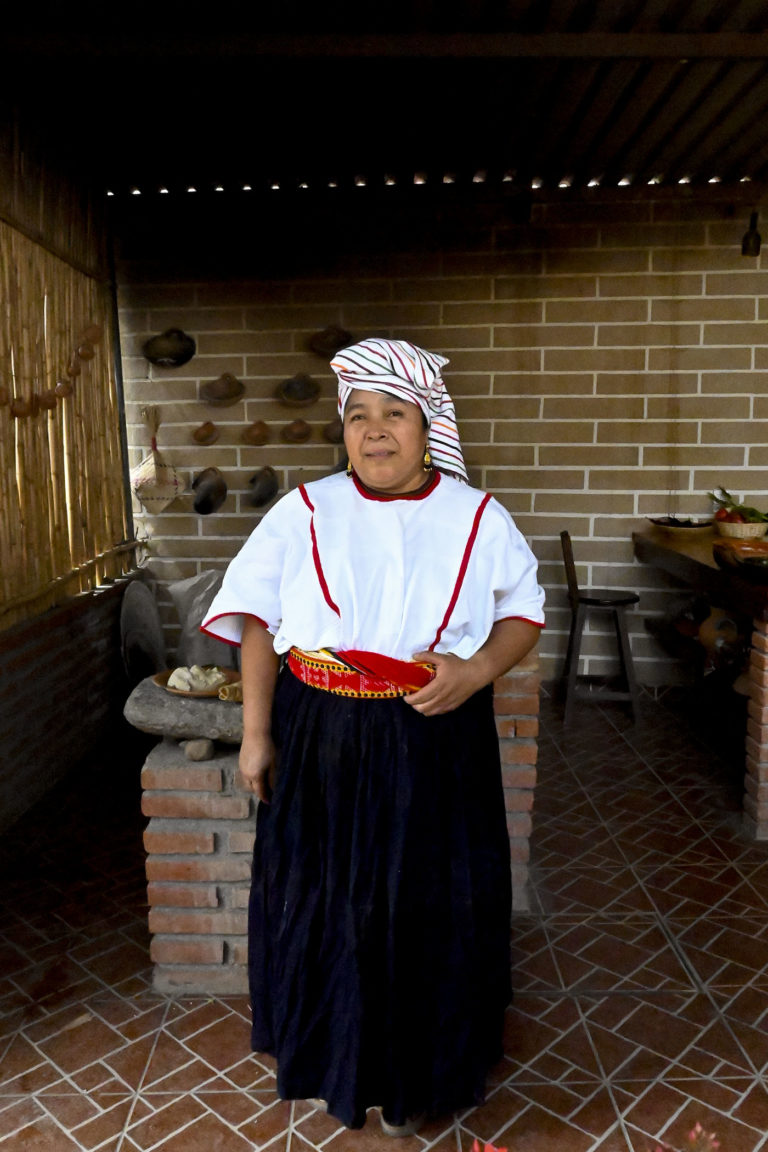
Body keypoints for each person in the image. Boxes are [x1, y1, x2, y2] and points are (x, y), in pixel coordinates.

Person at [201, 337, 545, 1135]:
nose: (375, 431)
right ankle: (339, 1058)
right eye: (359, 416)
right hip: (321, 730)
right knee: (332, 902)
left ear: (430, 429)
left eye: (395, 414)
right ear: (344, 431)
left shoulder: (477, 517)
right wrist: (257, 734)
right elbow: (256, 619)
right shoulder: (306, 510)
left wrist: (473, 672)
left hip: (432, 733)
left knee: (423, 901)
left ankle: (414, 1071)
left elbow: (522, 613)